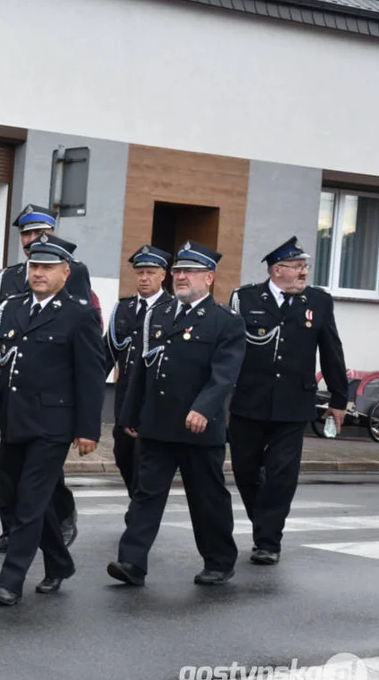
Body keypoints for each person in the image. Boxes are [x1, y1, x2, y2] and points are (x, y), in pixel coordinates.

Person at [0, 233, 104, 605]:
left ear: (65, 272)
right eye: (34, 266)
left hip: (53, 425)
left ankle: (10, 581)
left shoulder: (79, 314)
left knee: (30, 502)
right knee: (22, 499)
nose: (39, 273)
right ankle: (59, 562)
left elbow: (91, 377)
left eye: (47, 267)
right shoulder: (10, 308)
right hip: (15, 421)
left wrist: (88, 430)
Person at [108, 240, 245, 587]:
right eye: (178, 271)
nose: (180, 277)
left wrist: (203, 409)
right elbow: (142, 367)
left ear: (209, 278)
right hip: (157, 423)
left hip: (199, 427)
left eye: (190, 272)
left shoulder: (224, 321)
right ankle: (132, 562)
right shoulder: (159, 314)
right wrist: (130, 415)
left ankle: (218, 560)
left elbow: (224, 374)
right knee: (146, 495)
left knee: (207, 498)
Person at [228, 237, 347, 565]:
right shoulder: (245, 298)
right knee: (245, 471)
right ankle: (263, 520)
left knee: (282, 474)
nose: (303, 272)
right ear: (277, 270)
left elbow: (331, 350)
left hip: (294, 404)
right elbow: (228, 350)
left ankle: (268, 540)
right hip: (248, 403)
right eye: (297, 267)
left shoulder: (319, 302)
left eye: (305, 266)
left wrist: (339, 398)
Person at [0, 204, 87, 554]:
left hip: (51, 397)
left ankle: (59, 518)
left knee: (40, 480)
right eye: (25, 235)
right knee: (10, 474)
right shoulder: (8, 277)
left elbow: (80, 332)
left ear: (52, 232)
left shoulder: (74, 271)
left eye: (39, 232)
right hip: (15, 392)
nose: (31, 240)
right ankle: (12, 529)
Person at [103, 245, 173, 498]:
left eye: (151, 272)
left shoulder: (173, 310)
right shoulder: (124, 308)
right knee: (123, 454)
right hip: (124, 397)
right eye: (140, 272)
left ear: (163, 275)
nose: (144, 278)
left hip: (154, 397)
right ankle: (139, 499)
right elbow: (106, 353)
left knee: (148, 456)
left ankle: (142, 509)